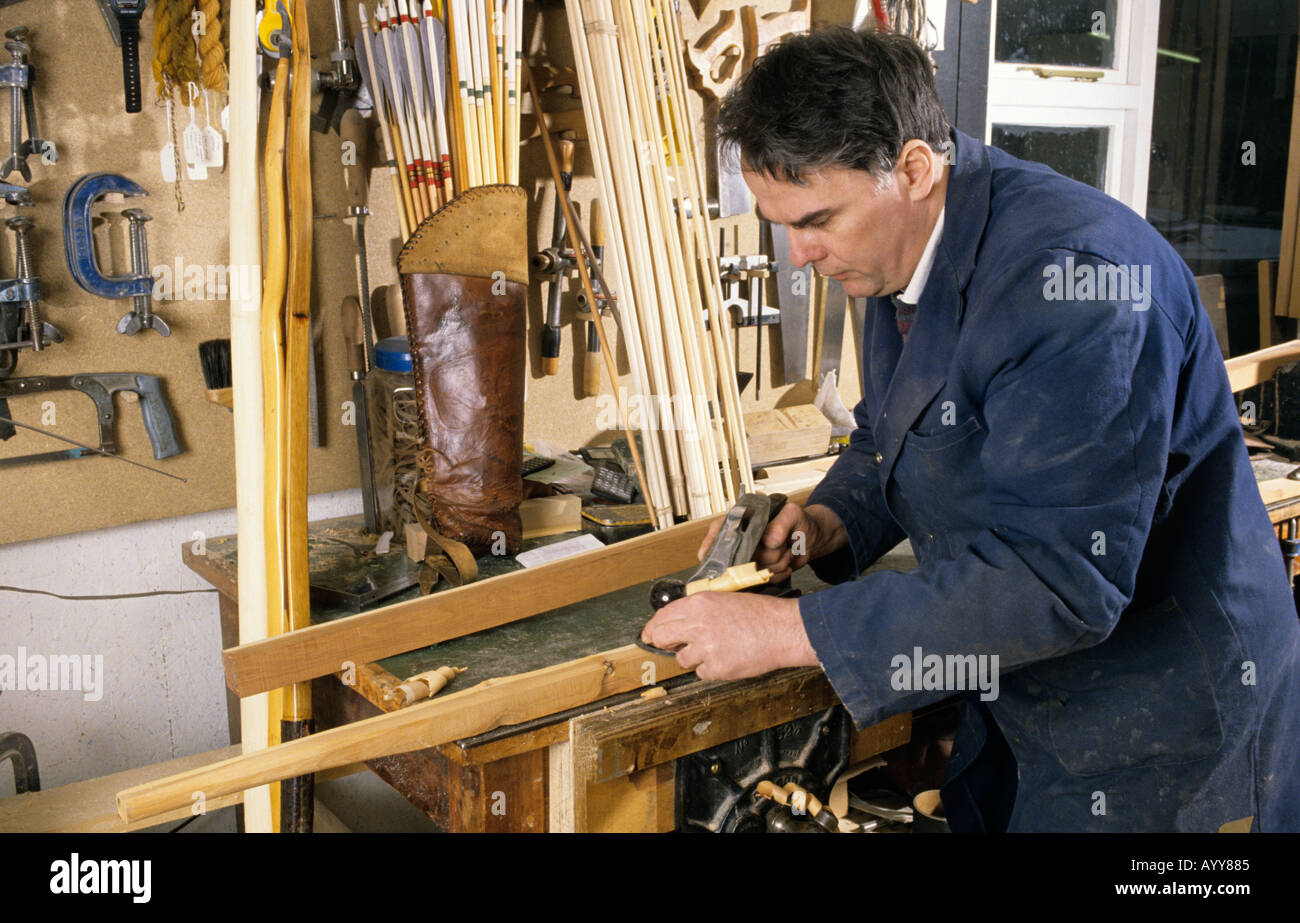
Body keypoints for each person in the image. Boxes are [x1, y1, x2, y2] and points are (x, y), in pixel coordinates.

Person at [640, 26, 1300, 832]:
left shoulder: (1076, 283)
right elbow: (896, 428)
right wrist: (828, 520)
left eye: (814, 219)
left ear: (913, 169)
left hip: (1164, 724)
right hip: (1021, 692)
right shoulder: (898, 243)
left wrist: (793, 630)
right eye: (782, 224)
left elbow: (1061, 582)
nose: (800, 254)